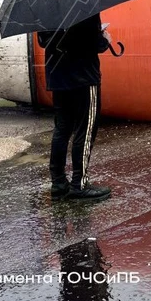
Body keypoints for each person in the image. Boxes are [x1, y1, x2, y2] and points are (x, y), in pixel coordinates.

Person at [37, 13, 114, 201]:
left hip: (58, 77)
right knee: (85, 130)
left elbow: (43, 41)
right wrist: (104, 39)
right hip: (83, 77)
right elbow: (94, 43)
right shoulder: (86, 7)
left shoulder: (43, 8)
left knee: (62, 129)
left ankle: (58, 183)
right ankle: (79, 184)